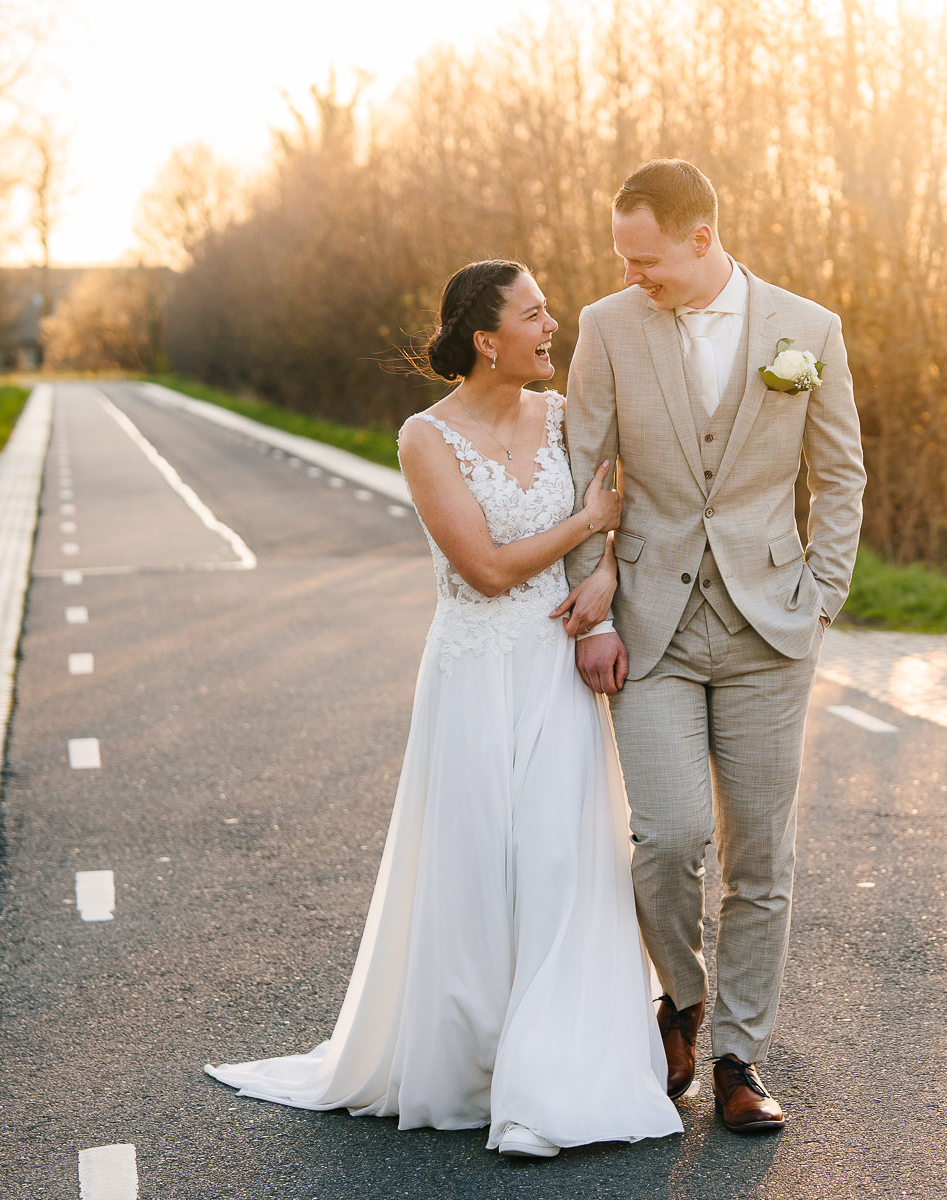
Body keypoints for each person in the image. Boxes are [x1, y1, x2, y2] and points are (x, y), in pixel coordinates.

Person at [205, 260, 683, 1158]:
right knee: (473, 872)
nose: (553, 326)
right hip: (472, 672)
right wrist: (587, 529)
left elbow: (615, 526)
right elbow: (490, 568)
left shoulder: (565, 415)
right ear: (485, 338)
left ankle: (558, 1075)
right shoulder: (426, 438)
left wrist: (605, 576)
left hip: (553, 669)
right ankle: (473, 1067)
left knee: (561, 862)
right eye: (534, 314)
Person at [563, 159, 866, 1132]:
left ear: (702, 238)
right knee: (670, 839)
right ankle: (682, 997)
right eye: (622, 259)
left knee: (761, 854)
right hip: (650, 621)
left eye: (645, 259)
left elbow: (842, 475)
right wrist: (592, 606)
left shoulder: (807, 331)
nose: (631, 275)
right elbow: (582, 465)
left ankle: (736, 1054)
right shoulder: (608, 328)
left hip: (771, 624)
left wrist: (821, 599)